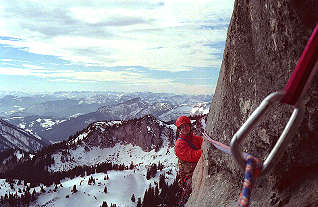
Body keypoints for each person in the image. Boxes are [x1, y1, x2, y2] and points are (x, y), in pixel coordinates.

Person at [174, 115, 203, 206]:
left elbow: (202, 141)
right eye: (182, 127)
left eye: (186, 125)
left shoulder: (194, 138)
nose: (185, 128)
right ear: (179, 130)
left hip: (197, 169)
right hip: (189, 176)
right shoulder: (179, 145)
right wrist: (205, 149)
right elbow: (193, 156)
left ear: (190, 126)